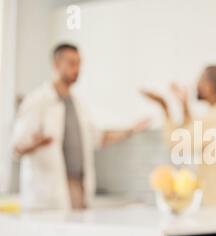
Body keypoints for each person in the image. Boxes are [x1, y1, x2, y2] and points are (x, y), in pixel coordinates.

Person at [13, 43, 149, 210]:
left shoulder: (79, 105)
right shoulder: (37, 101)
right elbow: (16, 148)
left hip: (78, 189)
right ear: (56, 65)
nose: (77, 69)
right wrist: (34, 144)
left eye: (79, 64)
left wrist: (131, 130)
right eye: (71, 63)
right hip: (47, 194)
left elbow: (98, 138)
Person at [142, 66, 216, 210]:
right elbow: (194, 131)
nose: (196, 86)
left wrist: (164, 106)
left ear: (209, 87)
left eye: (200, 82)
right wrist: (184, 105)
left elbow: (177, 144)